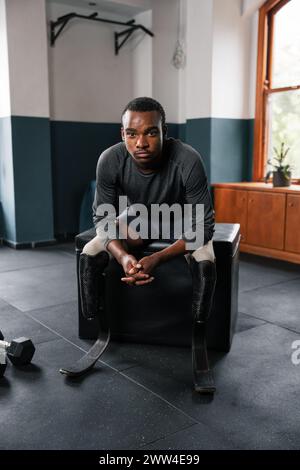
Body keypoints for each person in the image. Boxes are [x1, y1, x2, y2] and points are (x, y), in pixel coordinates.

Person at [80, 97, 217, 393]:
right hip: (139, 217)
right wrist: (124, 256)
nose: (140, 142)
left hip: (181, 219)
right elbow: (103, 219)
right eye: (132, 134)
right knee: (91, 249)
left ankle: (199, 336)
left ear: (164, 132)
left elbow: (202, 225)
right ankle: (100, 330)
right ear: (122, 135)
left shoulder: (187, 158)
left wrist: (157, 259)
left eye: (150, 133)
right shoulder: (110, 159)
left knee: (206, 256)